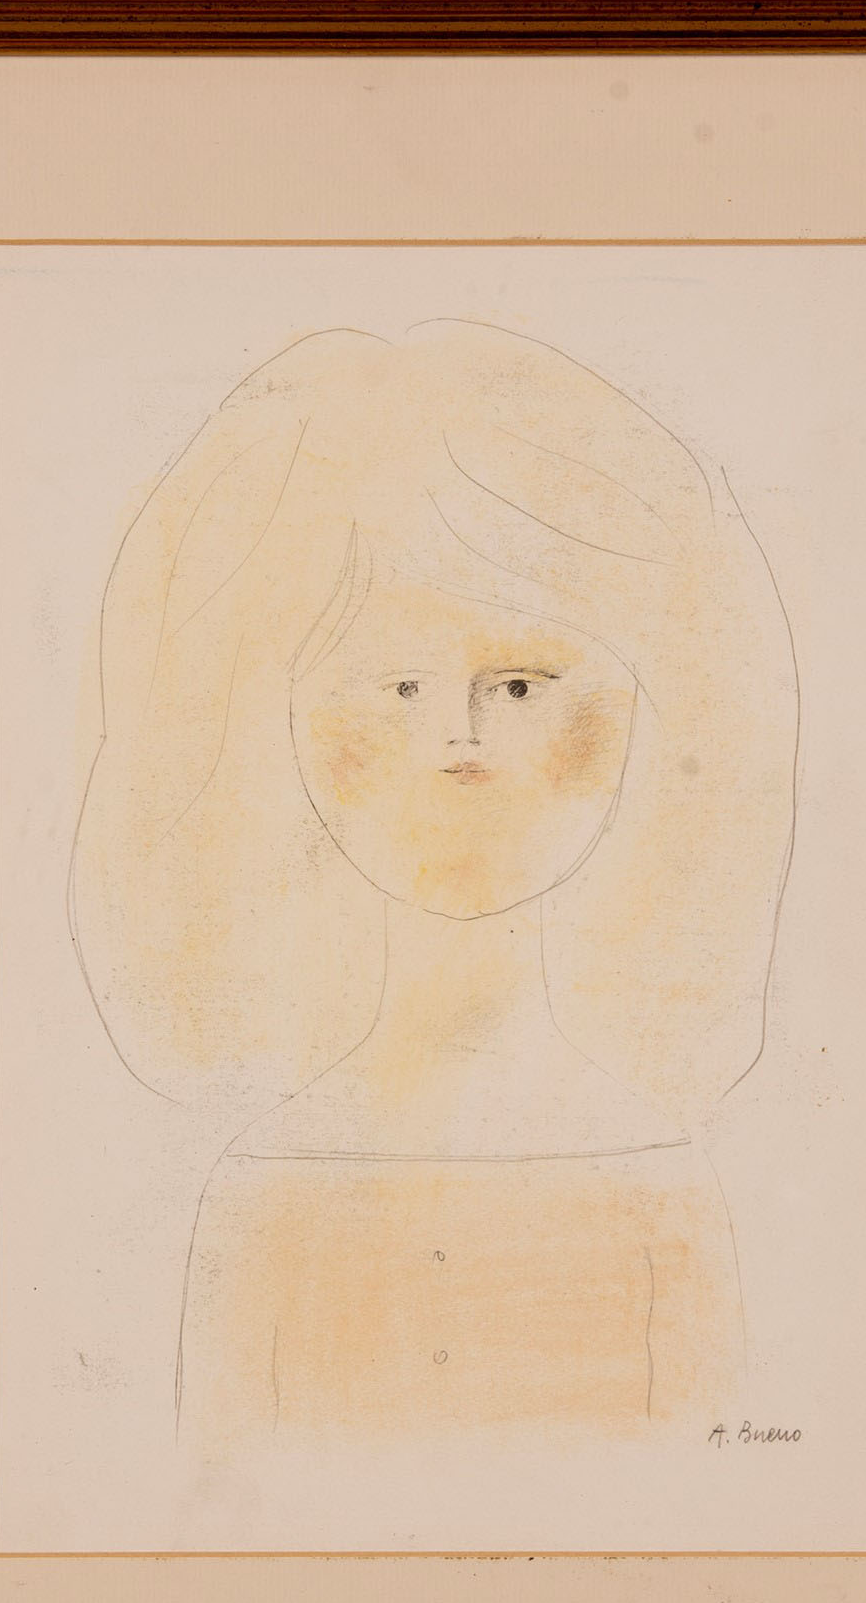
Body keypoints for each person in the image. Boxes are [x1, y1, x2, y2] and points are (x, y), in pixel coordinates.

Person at [71, 319, 797, 1450]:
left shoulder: (658, 1182)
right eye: (399, 685)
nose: (457, 740)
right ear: (291, 718)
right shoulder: (264, 1186)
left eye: (519, 685)